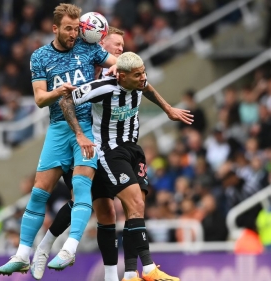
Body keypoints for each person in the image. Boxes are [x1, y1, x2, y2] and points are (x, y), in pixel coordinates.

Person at [0, 3, 118, 277]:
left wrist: (117, 68)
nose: (74, 33)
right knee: (39, 191)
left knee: (81, 185)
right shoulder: (40, 57)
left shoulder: (88, 49)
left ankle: (69, 248)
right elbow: (40, 99)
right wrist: (58, 91)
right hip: (58, 128)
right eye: (68, 28)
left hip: (86, 128)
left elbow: (116, 63)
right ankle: (21, 255)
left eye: (76, 28)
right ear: (55, 29)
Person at [59, 52, 192, 281]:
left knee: (136, 210)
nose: (143, 78)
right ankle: (149, 268)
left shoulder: (138, 81)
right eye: (138, 75)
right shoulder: (103, 87)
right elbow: (66, 100)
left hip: (133, 149)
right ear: (122, 76)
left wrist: (168, 109)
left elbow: (148, 88)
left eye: (144, 73)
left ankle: (131, 273)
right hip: (109, 152)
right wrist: (79, 134)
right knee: (134, 203)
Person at [32, 26, 127, 281]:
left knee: (105, 209)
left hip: (105, 147)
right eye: (116, 44)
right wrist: (77, 135)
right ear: (100, 42)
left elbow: (136, 75)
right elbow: (64, 101)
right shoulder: (81, 65)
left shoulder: (115, 73)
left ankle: (50, 248)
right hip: (79, 144)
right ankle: (56, 247)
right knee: (83, 200)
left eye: (123, 47)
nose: (120, 49)